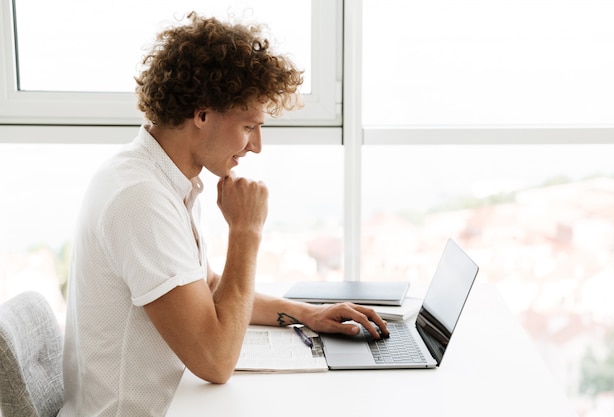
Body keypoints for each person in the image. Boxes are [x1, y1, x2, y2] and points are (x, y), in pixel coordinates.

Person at [59, 12, 389, 417]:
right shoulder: (140, 199)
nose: (257, 146)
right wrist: (246, 231)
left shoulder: (156, 175)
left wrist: (308, 315)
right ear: (202, 115)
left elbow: (207, 286)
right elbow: (216, 362)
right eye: (250, 126)